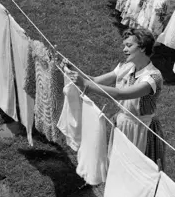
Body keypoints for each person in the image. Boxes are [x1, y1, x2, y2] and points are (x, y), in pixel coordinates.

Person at [67, 27, 166, 170]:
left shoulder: (152, 78)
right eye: (124, 45)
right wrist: (73, 70)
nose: (124, 49)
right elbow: (95, 80)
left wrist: (86, 85)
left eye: (129, 45)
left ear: (143, 48)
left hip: (141, 129)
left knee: (138, 170)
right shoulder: (126, 67)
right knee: (118, 165)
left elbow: (120, 93)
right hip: (123, 123)